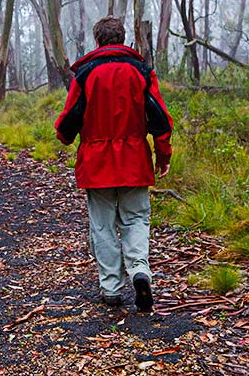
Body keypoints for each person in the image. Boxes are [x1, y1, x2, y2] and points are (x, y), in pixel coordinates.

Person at [54, 16, 173, 312]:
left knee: (103, 226)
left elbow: (69, 120)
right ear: (122, 39)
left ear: (97, 41)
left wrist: (65, 136)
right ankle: (139, 271)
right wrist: (163, 154)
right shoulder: (142, 72)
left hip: (96, 164)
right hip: (134, 159)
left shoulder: (85, 74)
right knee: (135, 219)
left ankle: (110, 288)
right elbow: (160, 118)